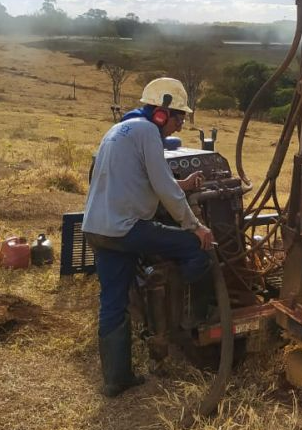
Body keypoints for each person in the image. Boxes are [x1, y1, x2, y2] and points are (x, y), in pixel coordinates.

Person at [82, 77, 215, 397]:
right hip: (127, 227)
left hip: (98, 229)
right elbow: (163, 189)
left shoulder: (119, 130)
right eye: (178, 116)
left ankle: (117, 379)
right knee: (199, 250)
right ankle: (183, 315)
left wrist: (183, 185)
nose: (179, 124)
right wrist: (194, 226)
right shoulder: (147, 132)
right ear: (160, 113)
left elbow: (150, 182)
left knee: (112, 302)